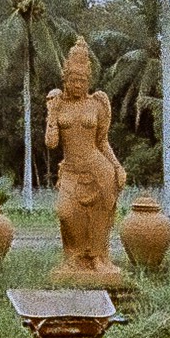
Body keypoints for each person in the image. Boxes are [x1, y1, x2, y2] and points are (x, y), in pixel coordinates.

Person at [45, 40, 126, 286]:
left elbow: (103, 141)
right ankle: (74, 256)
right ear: (65, 80)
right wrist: (51, 113)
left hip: (99, 168)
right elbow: (51, 144)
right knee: (65, 212)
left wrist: (117, 166)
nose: (77, 85)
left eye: (82, 81)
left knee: (100, 215)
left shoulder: (97, 104)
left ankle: (98, 257)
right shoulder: (58, 105)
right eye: (73, 81)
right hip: (71, 169)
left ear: (87, 81)